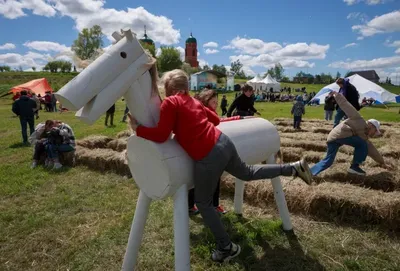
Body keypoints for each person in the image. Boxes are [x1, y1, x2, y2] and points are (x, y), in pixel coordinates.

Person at [128, 69, 312, 263]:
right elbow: (216, 120)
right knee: (248, 172)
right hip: (224, 142)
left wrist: (138, 129)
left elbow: (161, 135)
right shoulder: (194, 101)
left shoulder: (171, 102)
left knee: (203, 203)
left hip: (208, 155)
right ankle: (293, 167)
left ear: (167, 88)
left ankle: (226, 247)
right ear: (187, 87)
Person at [311, 92, 385, 176]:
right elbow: (346, 106)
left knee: (328, 161)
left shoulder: (364, 135)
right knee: (362, 143)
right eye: (375, 131)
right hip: (339, 135)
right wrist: (337, 95)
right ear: (371, 126)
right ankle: (354, 167)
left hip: (333, 138)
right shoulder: (358, 119)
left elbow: (372, 150)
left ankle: (308, 172)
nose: (375, 134)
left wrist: (382, 163)